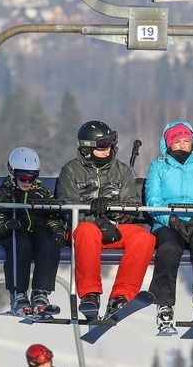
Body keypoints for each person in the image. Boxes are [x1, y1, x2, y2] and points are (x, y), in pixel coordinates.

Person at [55, 120, 156, 319]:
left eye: (111, 142)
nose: (108, 149)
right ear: (86, 148)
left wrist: (113, 217)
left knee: (144, 238)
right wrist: (95, 220)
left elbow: (132, 204)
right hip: (82, 230)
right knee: (87, 231)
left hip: (114, 229)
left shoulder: (122, 171)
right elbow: (66, 206)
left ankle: (121, 296)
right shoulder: (71, 171)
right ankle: (90, 295)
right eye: (102, 144)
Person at [144, 120, 193, 331]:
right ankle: (164, 305)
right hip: (167, 222)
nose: (183, 146)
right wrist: (172, 220)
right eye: (178, 142)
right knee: (169, 248)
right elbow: (153, 200)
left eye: (187, 141)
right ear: (169, 145)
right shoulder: (159, 167)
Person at [0, 146, 65, 316]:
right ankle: (18, 294)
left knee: (48, 241)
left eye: (32, 178)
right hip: (14, 235)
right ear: (12, 172)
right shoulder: (3, 196)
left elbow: (54, 217)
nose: (27, 182)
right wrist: (7, 226)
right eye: (23, 177)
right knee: (21, 241)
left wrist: (58, 231)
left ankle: (40, 292)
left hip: (38, 234)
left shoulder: (41, 194)